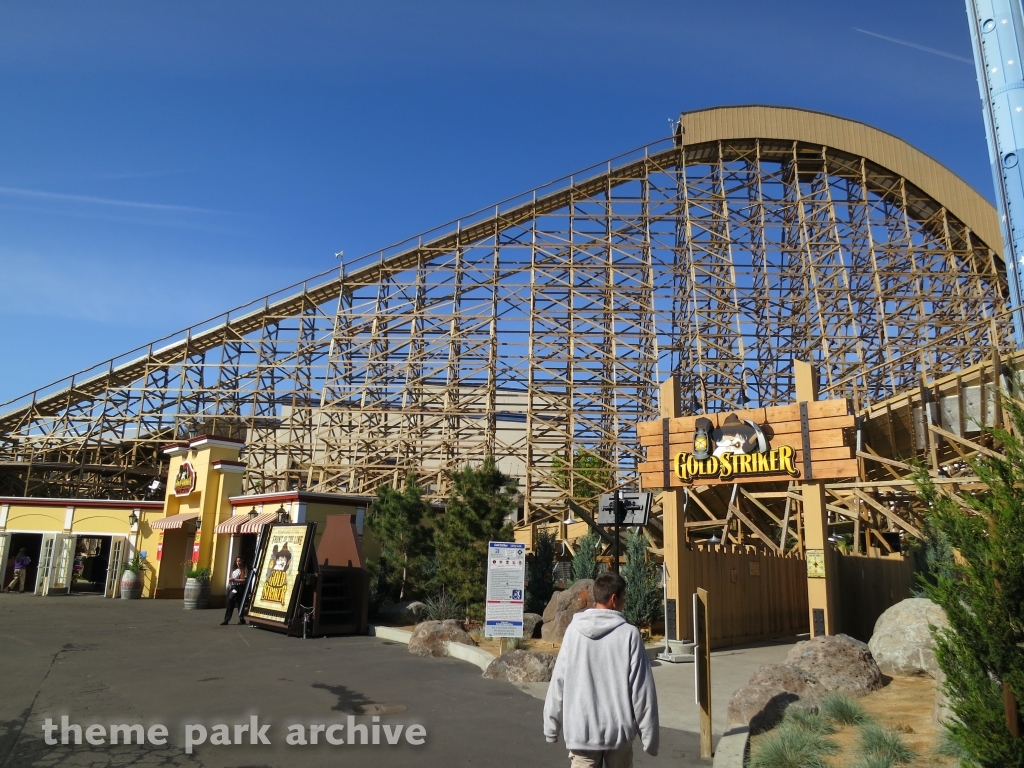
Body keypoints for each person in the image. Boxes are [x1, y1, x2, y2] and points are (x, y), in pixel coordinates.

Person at [543, 571, 659, 768]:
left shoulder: (574, 631)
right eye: (624, 597)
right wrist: (649, 737)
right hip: (618, 734)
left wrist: (551, 726)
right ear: (614, 599)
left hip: (581, 733)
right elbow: (642, 690)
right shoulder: (629, 634)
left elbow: (559, 680)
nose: (625, 602)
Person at [221, 556, 249, 625]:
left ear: (242, 561)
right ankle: (226, 619)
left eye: (239, 561)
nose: (238, 563)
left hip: (240, 588)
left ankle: (242, 619)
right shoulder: (235, 570)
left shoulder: (244, 569)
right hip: (234, 587)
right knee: (230, 603)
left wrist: (234, 580)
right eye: (237, 561)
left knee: (240, 604)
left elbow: (244, 580)